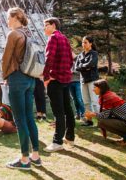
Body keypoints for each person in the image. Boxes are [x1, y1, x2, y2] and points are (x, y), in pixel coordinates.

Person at [2, 7, 40, 170]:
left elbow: (6, 58)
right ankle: (36, 156)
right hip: (31, 79)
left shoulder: (13, 34)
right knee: (29, 117)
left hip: (17, 78)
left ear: (15, 17)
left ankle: (24, 160)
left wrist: (4, 77)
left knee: (19, 119)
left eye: (8, 18)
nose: (6, 21)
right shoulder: (28, 34)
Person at [43, 17, 75, 153]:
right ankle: (70, 137)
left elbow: (49, 58)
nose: (44, 28)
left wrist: (46, 77)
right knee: (67, 109)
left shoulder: (53, 38)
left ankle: (57, 142)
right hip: (66, 79)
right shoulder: (65, 39)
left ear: (54, 25)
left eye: (46, 25)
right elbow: (71, 60)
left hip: (55, 80)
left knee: (58, 112)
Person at [85, 79, 126, 146]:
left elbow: (105, 115)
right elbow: (108, 114)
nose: (93, 90)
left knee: (102, 122)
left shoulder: (107, 98)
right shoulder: (109, 95)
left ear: (101, 88)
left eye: (95, 87)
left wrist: (93, 114)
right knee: (102, 121)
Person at [75, 36, 100, 126]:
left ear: (90, 43)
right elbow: (76, 67)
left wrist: (82, 66)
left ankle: (101, 122)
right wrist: (86, 67)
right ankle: (89, 121)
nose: (83, 44)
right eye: (82, 42)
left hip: (92, 80)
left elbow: (92, 64)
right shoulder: (80, 55)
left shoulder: (94, 54)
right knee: (86, 102)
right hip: (83, 81)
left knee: (94, 102)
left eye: (85, 42)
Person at [70, 52, 85, 120]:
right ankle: (78, 114)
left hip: (78, 82)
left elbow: (82, 71)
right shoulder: (67, 61)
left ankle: (83, 114)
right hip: (70, 82)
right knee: (74, 99)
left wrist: (73, 72)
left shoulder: (79, 60)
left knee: (79, 99)